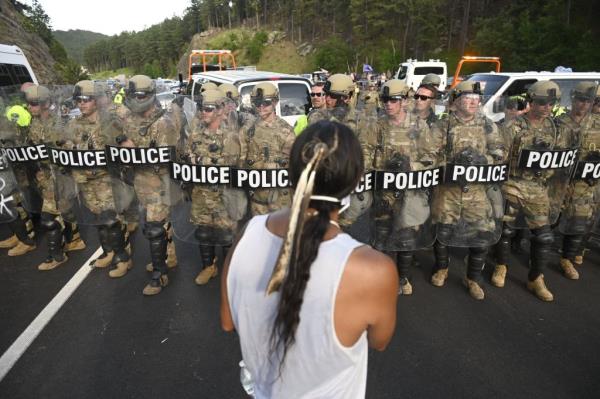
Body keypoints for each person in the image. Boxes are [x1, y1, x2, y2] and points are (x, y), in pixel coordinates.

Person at [221, 120, 398, 398]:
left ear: (291, 174)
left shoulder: (248, 233)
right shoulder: (374, 270)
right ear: (357, 179)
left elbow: (227, 321)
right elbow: (380, 342)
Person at [493, 81, 576, 301]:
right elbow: (499, 156)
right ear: (531, 102)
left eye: (551, 103)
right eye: (541, 102)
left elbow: (562, 156)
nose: (547, 107)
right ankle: (501, 265)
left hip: (539, 187)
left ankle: (536, 278)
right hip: (513, 183)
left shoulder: (556, 127)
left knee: (545, 236)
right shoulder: (514, 126)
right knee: (506, 230)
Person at [431, 81, 506, 300]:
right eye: (467, 98)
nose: (473, 102)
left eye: (476, 99)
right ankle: (442, 268)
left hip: (476, 191)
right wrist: (450, 162)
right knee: (442, 232)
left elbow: (500, 152)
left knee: (482, 234)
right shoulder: (443, 125)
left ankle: (472, 278)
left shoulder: (487, 125)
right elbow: (430, 154)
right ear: (456, 101)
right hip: (449, 190)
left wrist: (485, 159)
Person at [373, 79, 441, 295]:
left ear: (403, 101)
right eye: (385, 99)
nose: (388, 104)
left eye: (393, 100)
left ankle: (403, 278)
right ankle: (382, 278)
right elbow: (365, 153)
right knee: (381, 236)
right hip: (383, 190)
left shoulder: (419, 125)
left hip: (410, 191)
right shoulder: (377, 124)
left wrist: (411, 165)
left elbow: (431, 157)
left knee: (406, 235)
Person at [116, 75, 178, 295]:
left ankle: (160, 275)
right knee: (156, 226)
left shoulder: (164, 123)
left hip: (159, 184)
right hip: (139, 182)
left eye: (140, 95)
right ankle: (168, 257)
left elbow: (166, 161)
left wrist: (133, 152)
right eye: (133, 96)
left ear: (150, 96)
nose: (136, 100)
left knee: (154, 229)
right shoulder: (131, 120)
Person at [62, 80, 131, 276]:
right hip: (85, 181)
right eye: (78, 100)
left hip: (106, 180)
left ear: (96, 101)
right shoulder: (74, 124)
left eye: (86, 99)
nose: (81, 104)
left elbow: (126, 151)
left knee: (111, 220)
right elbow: (68, 147)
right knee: (98, 219)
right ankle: (108, 252)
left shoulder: (110, 122)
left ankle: (122, 257)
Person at [181, 89, 243, 285]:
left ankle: (228, 272)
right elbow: (188, 158)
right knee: (203, 233)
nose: (204, 112)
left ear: (219, 110)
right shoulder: (196, 133)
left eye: (208, 109)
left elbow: (234, 168)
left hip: (224, 197)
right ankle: (209, 267)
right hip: (201, 194)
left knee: (226, 236)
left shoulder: (230, 136)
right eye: (201, 108)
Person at [26, 85, 86, 271]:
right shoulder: (33, 124)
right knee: (65, 211)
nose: (30, 107)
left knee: (49, 219)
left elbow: (69, 150)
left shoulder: (57, 125)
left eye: (34, 104)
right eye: (28, 103)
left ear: (45, 104)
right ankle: (75, 239)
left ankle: (56, 256)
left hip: (58, 177)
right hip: (44, 177)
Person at [557, 82, 598, 276]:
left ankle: (567, 259)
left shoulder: (597, 123)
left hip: (583, 183)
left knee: (578, 222)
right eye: (580, 99)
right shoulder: (559, 123)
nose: (583, 104)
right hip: (558, 183)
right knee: (548, 224)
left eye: (588, 101)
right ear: (573, 99)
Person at [244, 82, 295, 216]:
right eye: (257, 102)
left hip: (280, 200)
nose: (261, 106)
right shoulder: (248, 130)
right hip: (257, 199)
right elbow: (241, 161)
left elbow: (293, 167)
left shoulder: (286, 131)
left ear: (275, 102)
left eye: (266, 103)